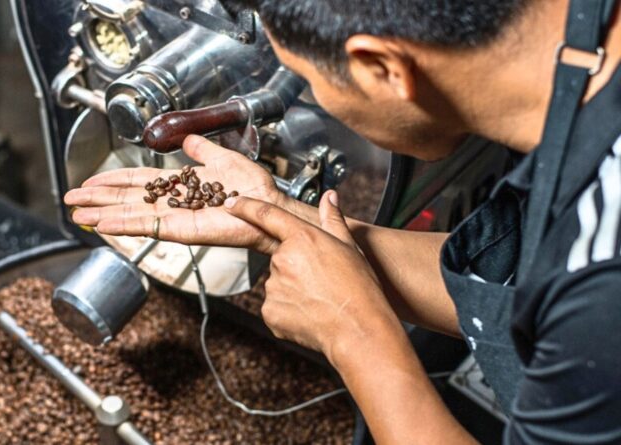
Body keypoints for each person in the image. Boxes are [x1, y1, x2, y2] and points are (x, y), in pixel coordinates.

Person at [65, 0, 621, 442]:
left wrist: (354, 331)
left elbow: (581, 299)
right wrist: (283, 220)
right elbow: (526, 283)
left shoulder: (601, 282)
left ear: (381, 68)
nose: (316, 98)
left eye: (307, 80)